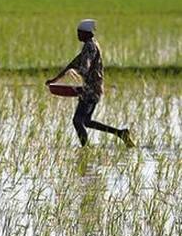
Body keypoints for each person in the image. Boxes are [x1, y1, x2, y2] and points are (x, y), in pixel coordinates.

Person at [46, 19, 135, 148]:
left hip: (91, 90)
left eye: (79, 32)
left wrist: (76, 73)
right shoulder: (89, 45)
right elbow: (73, 63)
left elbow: (85, 66)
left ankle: (85, 149)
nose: (78, 35)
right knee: (85, 121)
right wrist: (55, 79)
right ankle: (120, 133)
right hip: (92, 88)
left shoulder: (90, 47)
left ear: (87, 33)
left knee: (77, 121)